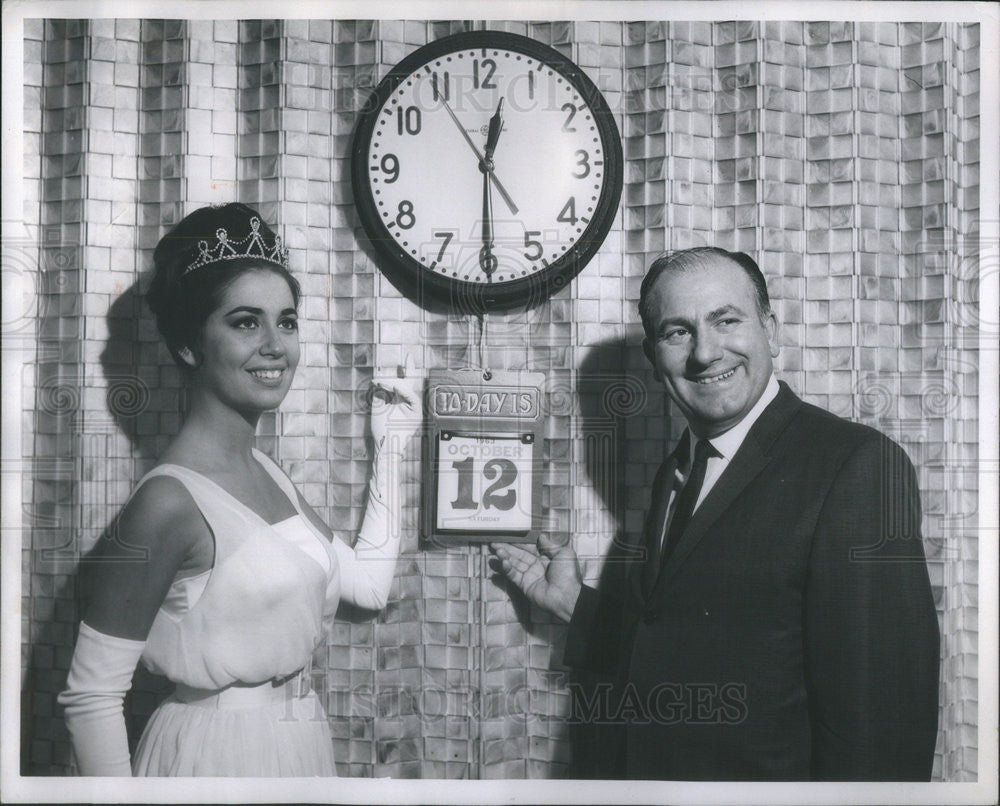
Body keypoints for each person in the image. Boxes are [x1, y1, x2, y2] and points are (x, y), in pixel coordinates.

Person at [490, 247, 940, 781]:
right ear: (655, 360)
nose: (706, 352)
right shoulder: (680, 470)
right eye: (677, 332)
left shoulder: (855, 464)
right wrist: (574, 605)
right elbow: (694, 641)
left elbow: (883, 724)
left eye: (726, 320)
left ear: (770, 329)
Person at [58, 203, 421, 776]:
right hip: (212, 758)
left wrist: (395, 445)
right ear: (188, 345)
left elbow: (370, 586)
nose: (276, 345)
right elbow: (91, 699)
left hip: (301, 743)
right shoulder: (167, 502)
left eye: (288, 320)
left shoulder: (268, 472)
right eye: (246, 322)